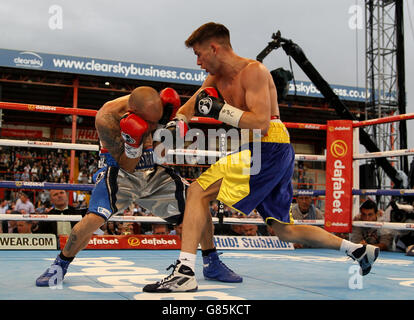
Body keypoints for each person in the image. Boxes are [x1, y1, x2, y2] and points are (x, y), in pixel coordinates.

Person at [143, 22, 379, 293]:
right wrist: (177, 123)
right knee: (283, 230)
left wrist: (221, 111)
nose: (197, 62)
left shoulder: (253, 71)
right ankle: (357, 250)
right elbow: (191, 104)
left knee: (197, 191)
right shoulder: (214, 78)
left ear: (214, 48)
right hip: (266, 150)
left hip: (267, 144)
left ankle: (185, 272)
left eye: (199, 54)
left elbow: (261, 123)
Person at [35, 86, 241, 287]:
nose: (153, 127)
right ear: (132, 113)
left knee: (197, 202)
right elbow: (127, 164)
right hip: (120, 171)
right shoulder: (107, 117)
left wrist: (179, 124)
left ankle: (211, 262)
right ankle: (60, 265)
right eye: (149, 123)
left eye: (156, 122)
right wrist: (135, 144)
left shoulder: (161, 104)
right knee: (93, 219)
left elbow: (191, 104)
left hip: (152, 168)